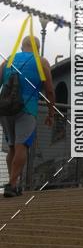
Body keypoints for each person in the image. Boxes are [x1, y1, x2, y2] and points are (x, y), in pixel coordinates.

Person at [0, 36, 54, 197]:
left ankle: (13, 184)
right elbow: (49, 90)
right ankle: (12, 185)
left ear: (22, 47)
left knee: (12, 147)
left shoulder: (8, 60)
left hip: (5, 109)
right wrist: (51, 113)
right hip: (27, 108)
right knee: (21, 146)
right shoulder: (41, 62)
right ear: (38, 48)